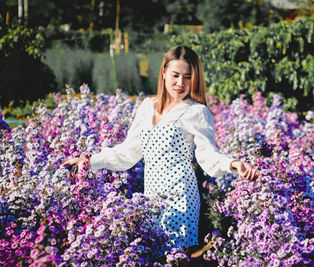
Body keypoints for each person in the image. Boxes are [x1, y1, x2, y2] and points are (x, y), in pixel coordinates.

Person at [62, 45, 259, 262]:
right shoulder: (147, 106)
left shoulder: (196, 111)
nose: (181, 83)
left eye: (187, 77)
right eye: (175, 75)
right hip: (151, 199)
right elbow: (127, 152)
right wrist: (89, 161)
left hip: (181, 198)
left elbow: (207, 155)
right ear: (164, 72)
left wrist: (233, 164)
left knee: (177, 260)